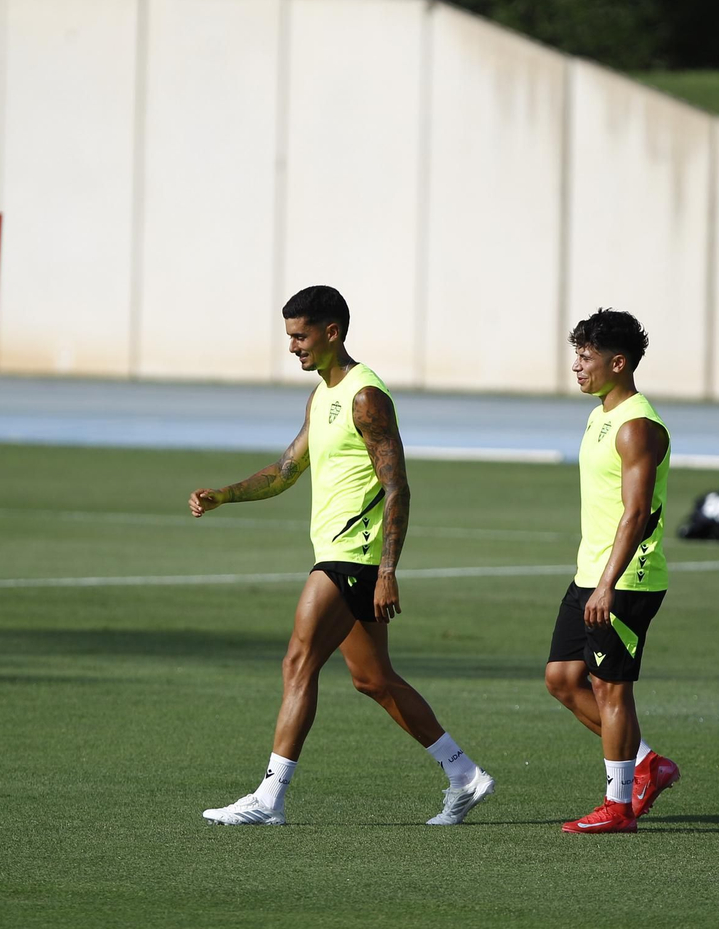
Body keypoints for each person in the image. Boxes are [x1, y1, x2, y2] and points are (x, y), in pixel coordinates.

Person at [191, 285, 494, 826]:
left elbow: (397, 487)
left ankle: (269, 799)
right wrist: (225, 495)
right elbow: (286, 470)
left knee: (297, 661)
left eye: (300, 336)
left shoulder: (365, 397)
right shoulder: (321, 398)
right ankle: (464, 774)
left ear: (332, 332)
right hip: (342, 553)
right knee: (372, 678)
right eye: (289, 336)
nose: (293, 348)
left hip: (353, 556)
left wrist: (387, 571)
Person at [545, 309, 680, 834]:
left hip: (626, 581)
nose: (576, 366)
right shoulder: (601, 413)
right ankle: (647, 764)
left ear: (618, 362)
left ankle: (619, 805)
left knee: (609, 688)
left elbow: (637, 512)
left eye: (587, 357)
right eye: (575, 354)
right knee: (561, 679)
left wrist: (606, 583)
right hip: (592, 574)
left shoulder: (637, 427)